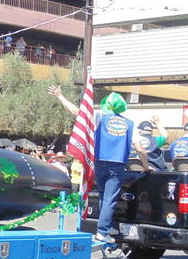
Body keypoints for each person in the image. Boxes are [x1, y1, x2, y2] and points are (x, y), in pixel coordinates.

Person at [48, 86, 150, 243]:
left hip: (99, 163)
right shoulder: (130, 124)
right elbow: (140, 150)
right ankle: (103, 231)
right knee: (110, 198)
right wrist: (146, 167)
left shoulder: (99, 117)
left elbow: (77, 112)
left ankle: (108, 226)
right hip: (117, 165)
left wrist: (60, 96)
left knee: (104, 197)